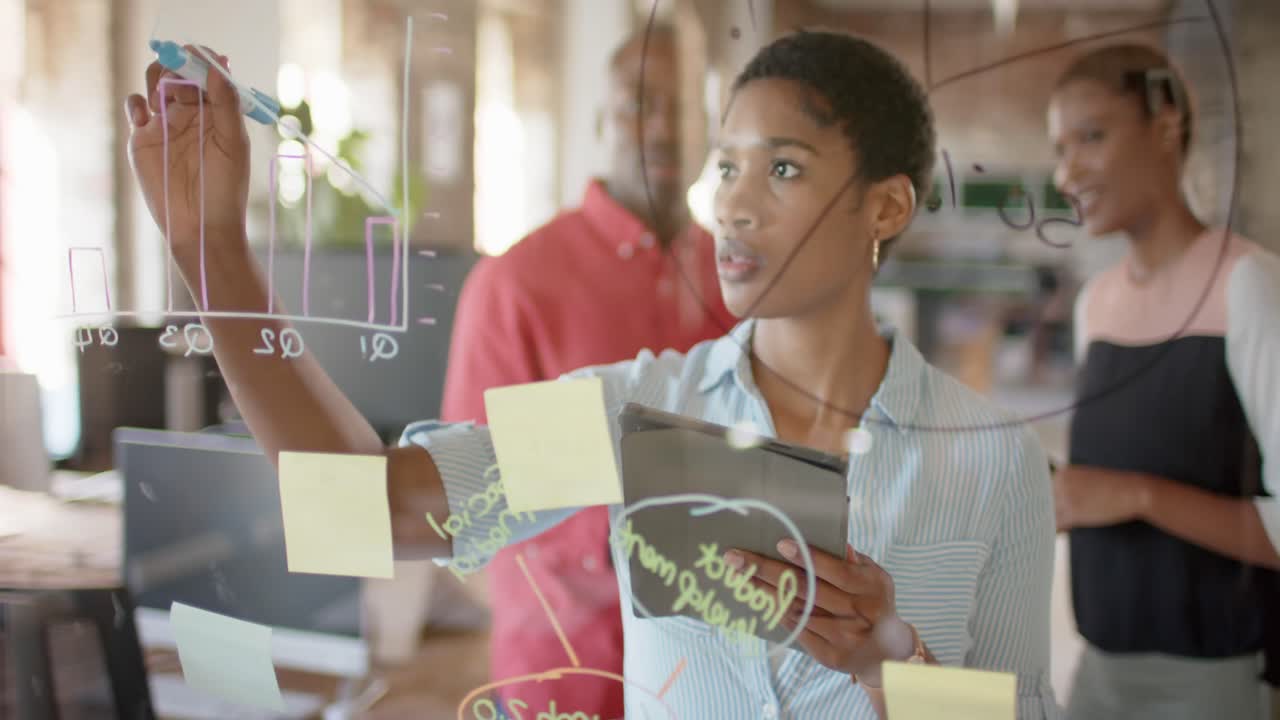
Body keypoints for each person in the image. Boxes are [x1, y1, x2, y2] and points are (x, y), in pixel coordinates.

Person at [124, 30, 1058, 718]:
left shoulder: (993, 461)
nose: (733, 202)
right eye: (727, 166)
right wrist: (217, 259)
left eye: (782, 168)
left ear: (886, 206)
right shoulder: (632, 413)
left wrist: (890, 664)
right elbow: (358, 509)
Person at [440, 25, 734, 718]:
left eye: (682, 107)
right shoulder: (514, 284)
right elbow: (463, 522)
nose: (661, 127)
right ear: (602, 122)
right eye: (638, 105)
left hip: (717, 682)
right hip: (566, 682)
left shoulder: (738, 280)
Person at [1047, 44, 1280, 720]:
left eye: (1092, 136)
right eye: (1060, 148)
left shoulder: (1249, 287)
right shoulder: (1096, 304)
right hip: (1097, 673)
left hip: (1213, 681)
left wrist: (1139, 496)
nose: (1068, 171)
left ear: (1166, 125)